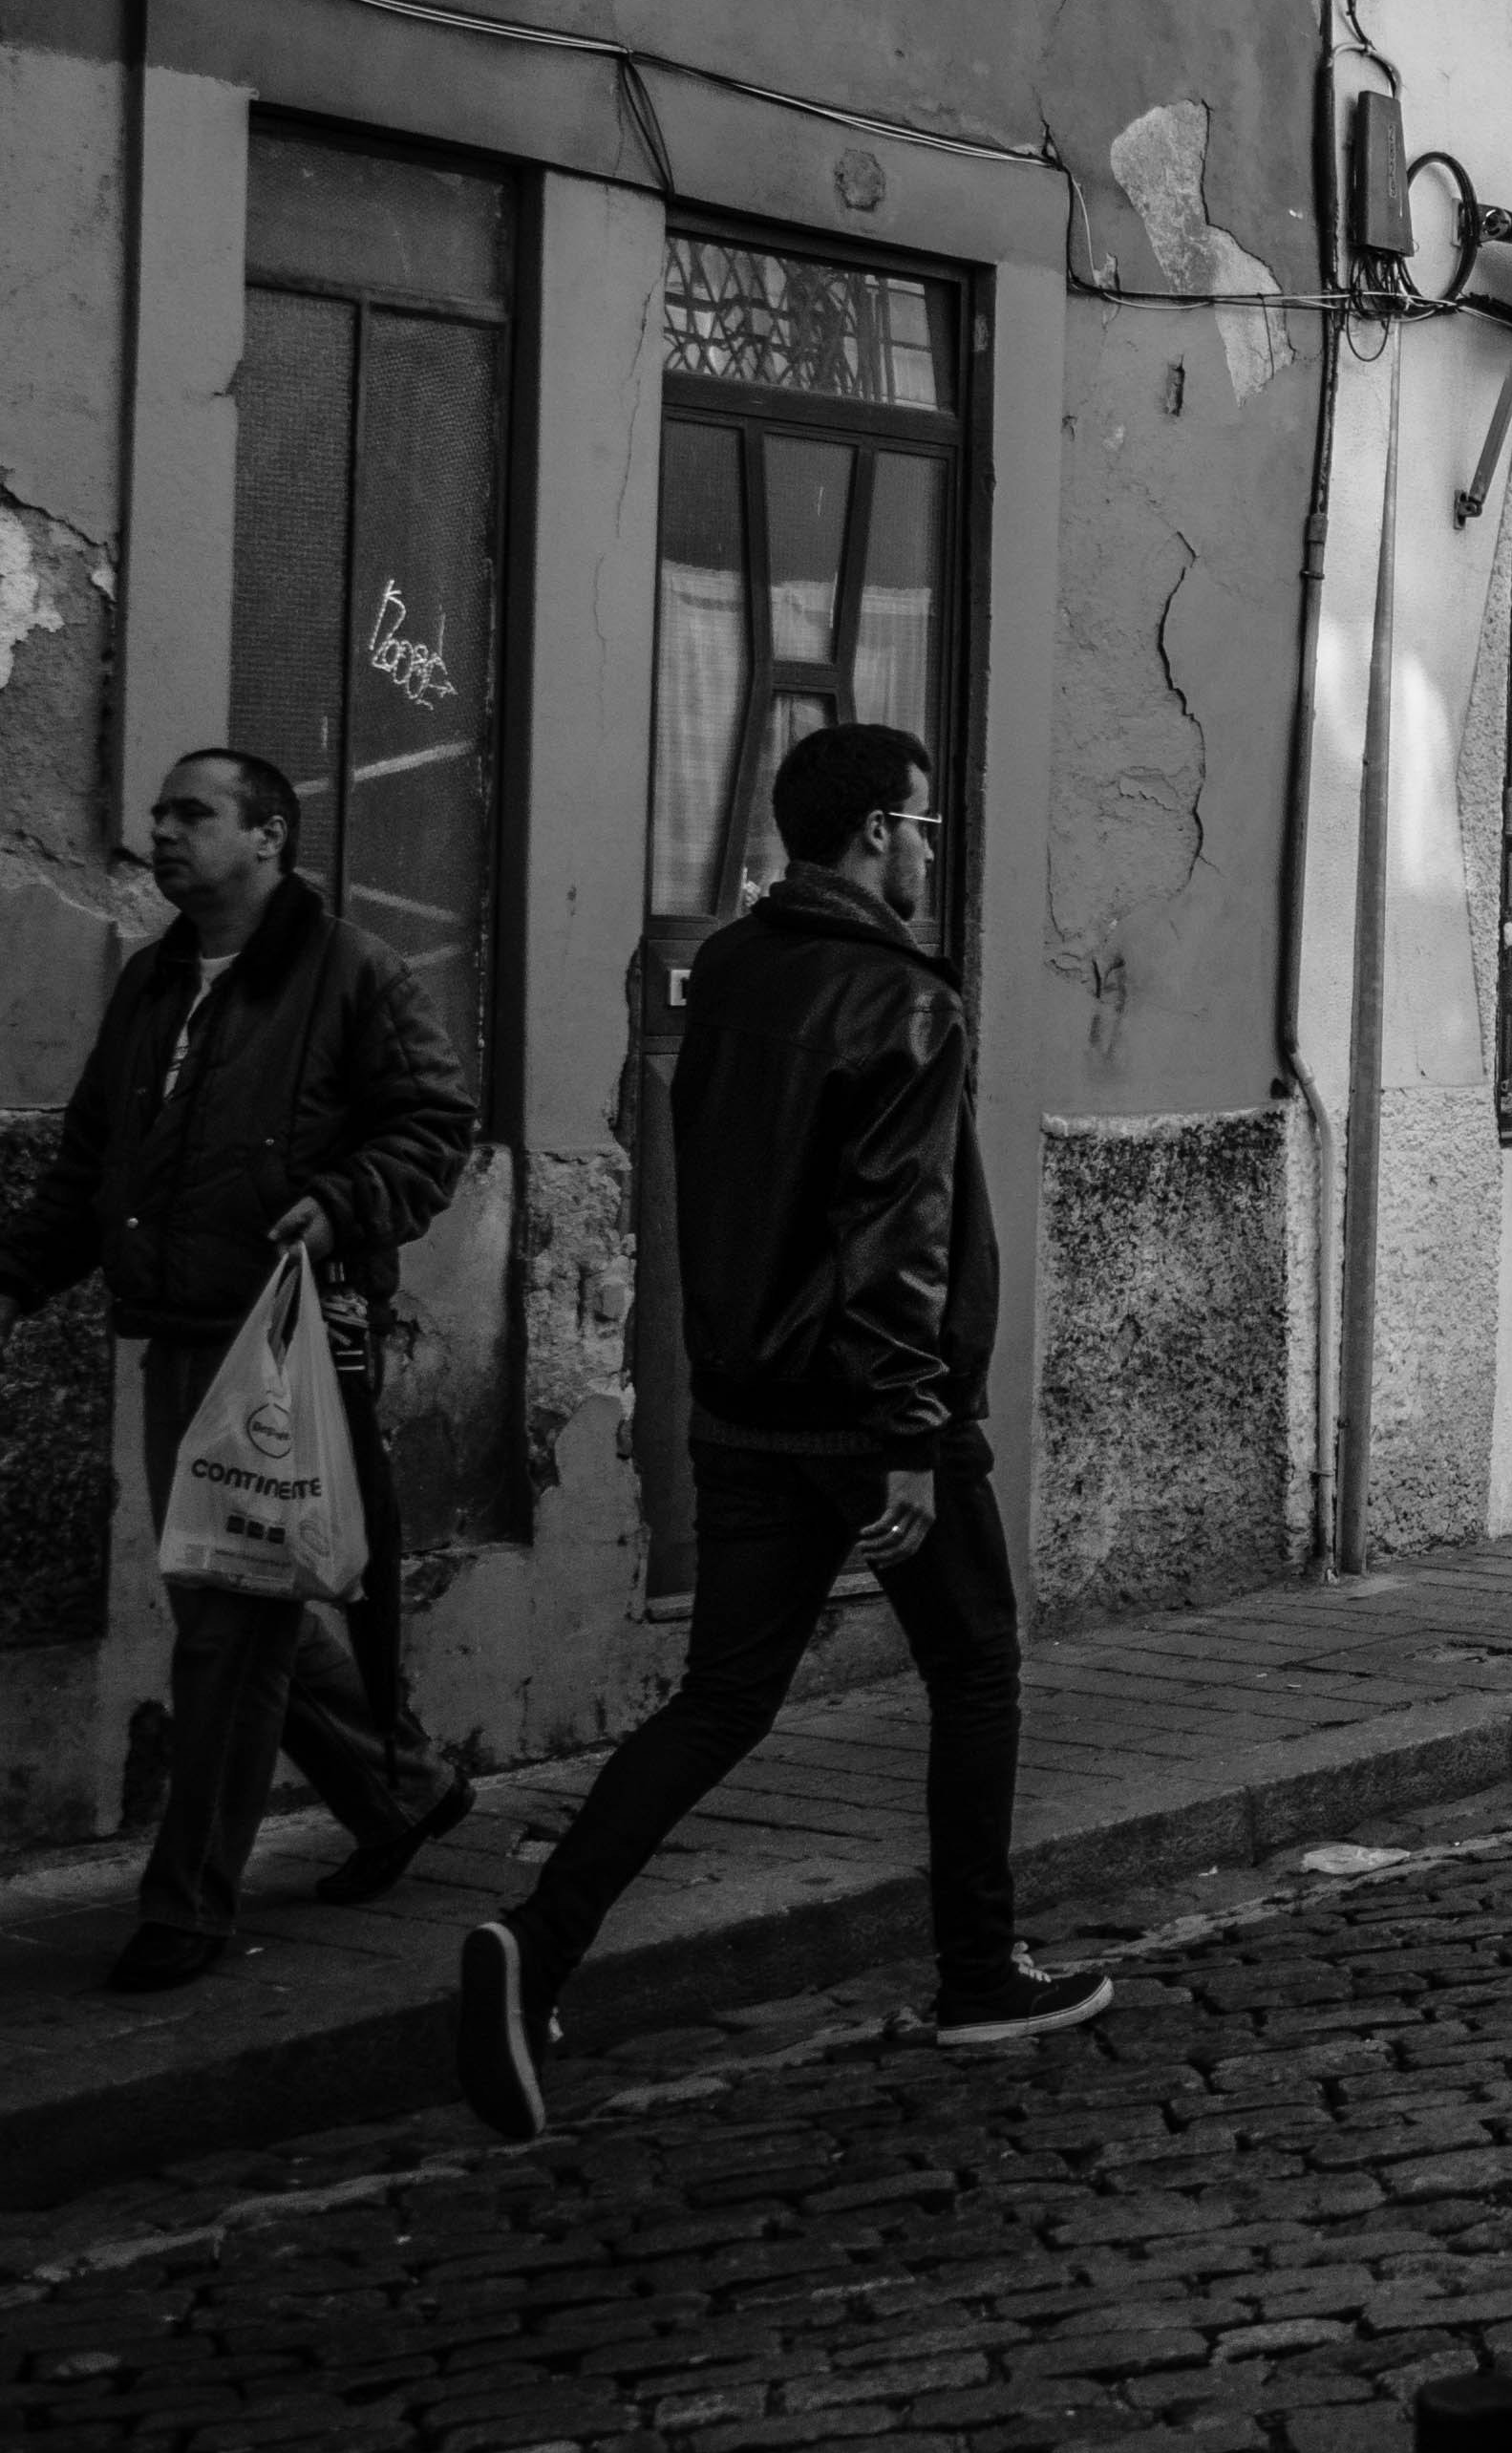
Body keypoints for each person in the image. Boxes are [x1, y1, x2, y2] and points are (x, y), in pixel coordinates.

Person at [457, 724, 1105, 2141]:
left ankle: (538, 1939)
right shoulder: (903, 1001)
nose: (933, 850)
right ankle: (980, 1972)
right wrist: (914, 1438)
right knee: (978, 1667)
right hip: (869, 1418)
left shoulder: (736, 973)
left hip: (746, 1406)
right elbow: (897, 1232)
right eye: (925, 826)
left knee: (724, 1699)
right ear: (875, 831)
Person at [0, 751, 476, 1991]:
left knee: (229, 1633)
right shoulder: (152, 983)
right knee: (227, 1603)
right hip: (179, 1336)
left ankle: (190, 1906)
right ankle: (401, 1789)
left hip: (283, 1344)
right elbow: (94, 1158)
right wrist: (13, 1271)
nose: (163, 831)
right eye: (158, 813)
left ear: (269, 837)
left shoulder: (352, 971)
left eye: (193, 814)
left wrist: (340, 1203)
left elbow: (432, 1127)